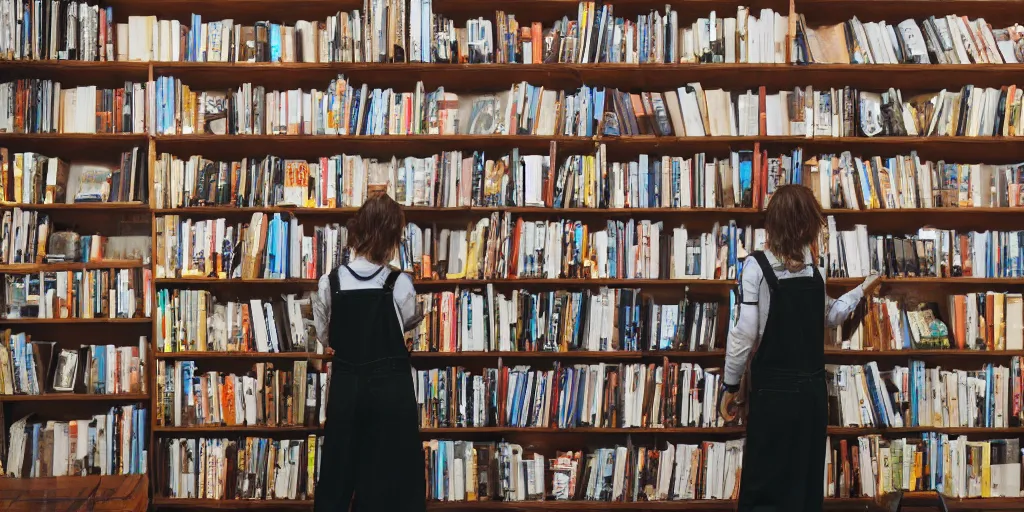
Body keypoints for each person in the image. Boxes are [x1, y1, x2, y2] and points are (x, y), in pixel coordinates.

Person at [718, 185, 880, 512]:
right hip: (811, 394)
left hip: (774, 394)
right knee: (804, 485)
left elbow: (745, 333)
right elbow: (831, 316)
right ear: (808, 223)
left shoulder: (756, 267)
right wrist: (861, 291)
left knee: (765, 484)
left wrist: (730, 385)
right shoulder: (813, 269)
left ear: (773, 222)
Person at [311, 192, 426, 512]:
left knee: (336, 477)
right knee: (392, 485)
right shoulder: (400, 284)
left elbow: (325, 337)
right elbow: (409, 324)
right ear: (391, 238)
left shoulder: (329, 283)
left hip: (347, 391)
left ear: (357, 231)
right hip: (390, 395)